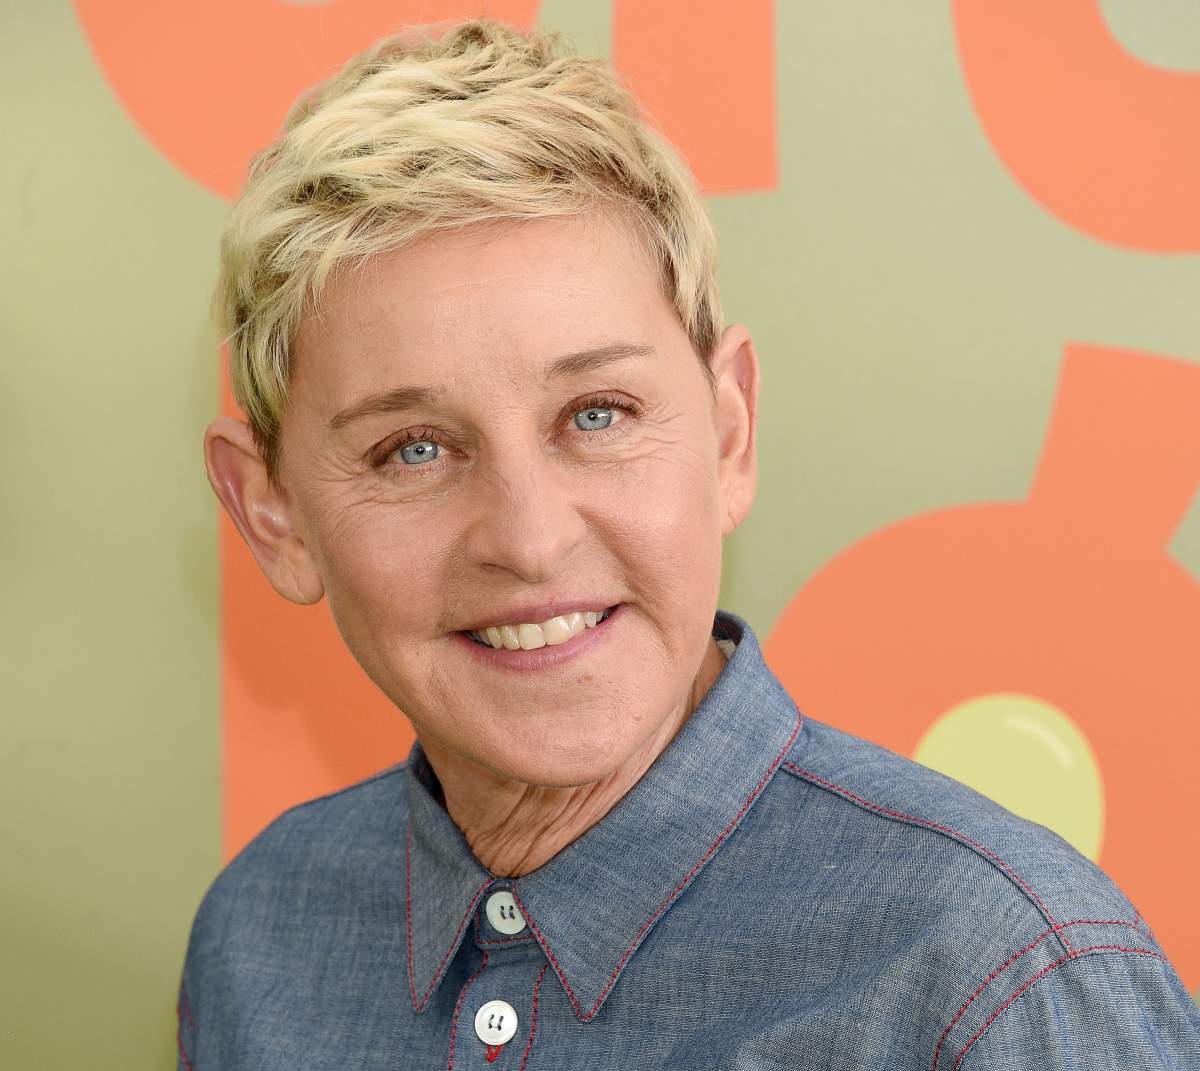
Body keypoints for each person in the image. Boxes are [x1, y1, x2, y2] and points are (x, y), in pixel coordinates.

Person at [180, 17, 1200, 1070]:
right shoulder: (260, 938)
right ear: (274, 513)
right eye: (416, 449)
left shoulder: (994, 976)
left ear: (728, 433)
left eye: (597, 414)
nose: (529, 541)